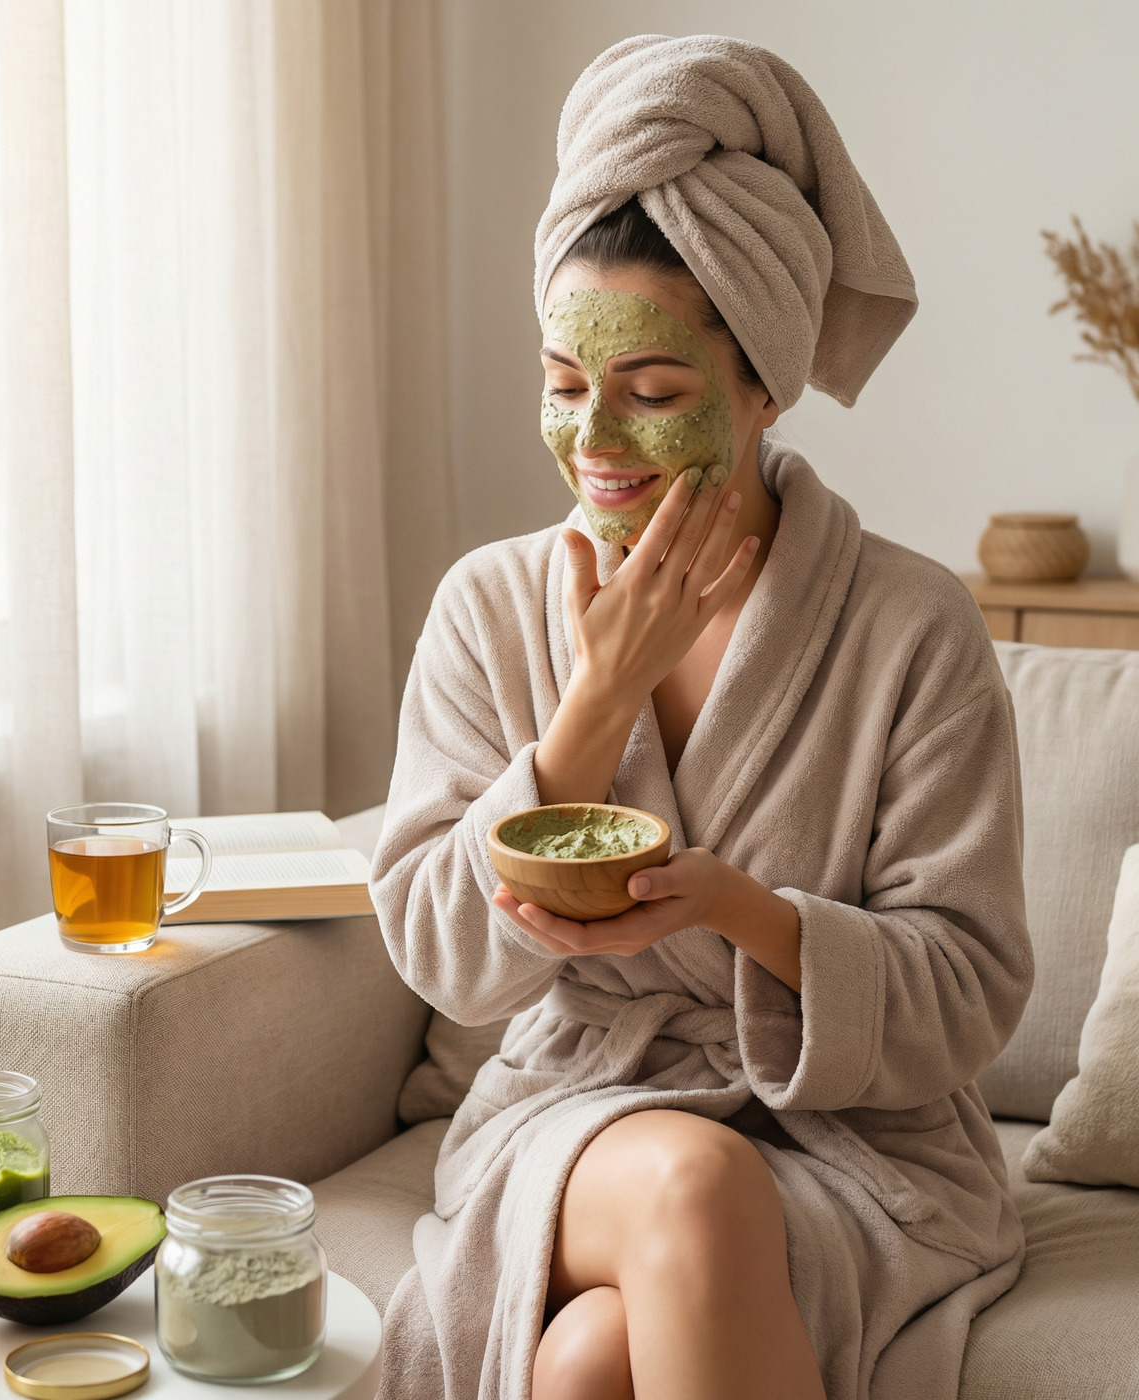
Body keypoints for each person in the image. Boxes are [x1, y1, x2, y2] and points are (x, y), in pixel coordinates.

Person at [370, 34, 1033, 1400]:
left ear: (765, 386)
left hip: (858, 1146)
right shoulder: (488, 609)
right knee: (693, 1183)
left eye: (656, 394)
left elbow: (969, 990)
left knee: (589, 1364)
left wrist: (743, 912)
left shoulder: (912, 626)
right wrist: (598, 697)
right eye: (565, 387)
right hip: (576, 1115)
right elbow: (441, 956)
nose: (596, 443)